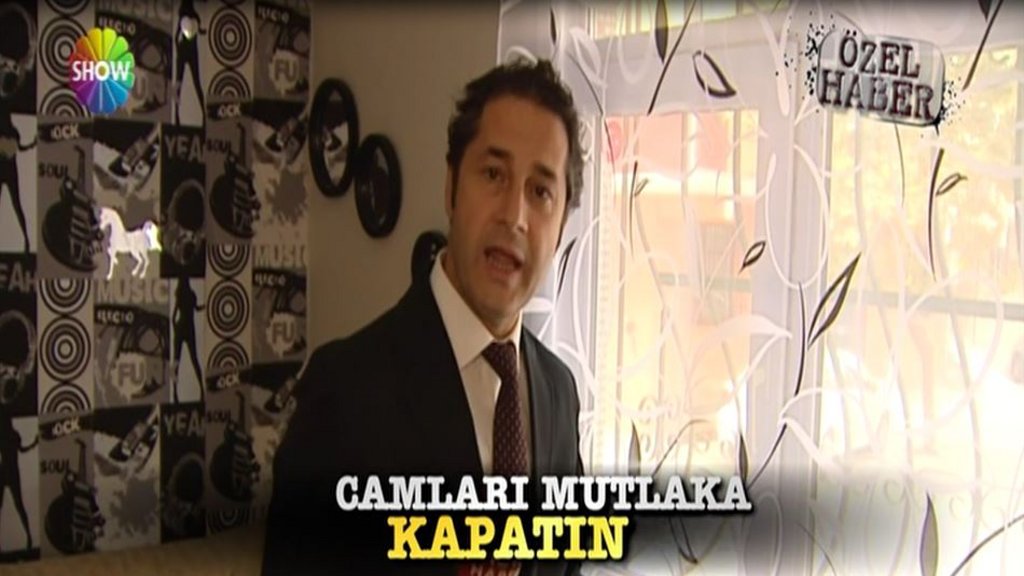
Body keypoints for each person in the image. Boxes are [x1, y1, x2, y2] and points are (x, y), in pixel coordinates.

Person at [262, 58, 586, 576]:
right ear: (451, 186)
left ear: (563, 222)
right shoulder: (343, 392)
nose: (514, 217)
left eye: (541, 191)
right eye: (494, 174)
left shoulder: (558, 392)